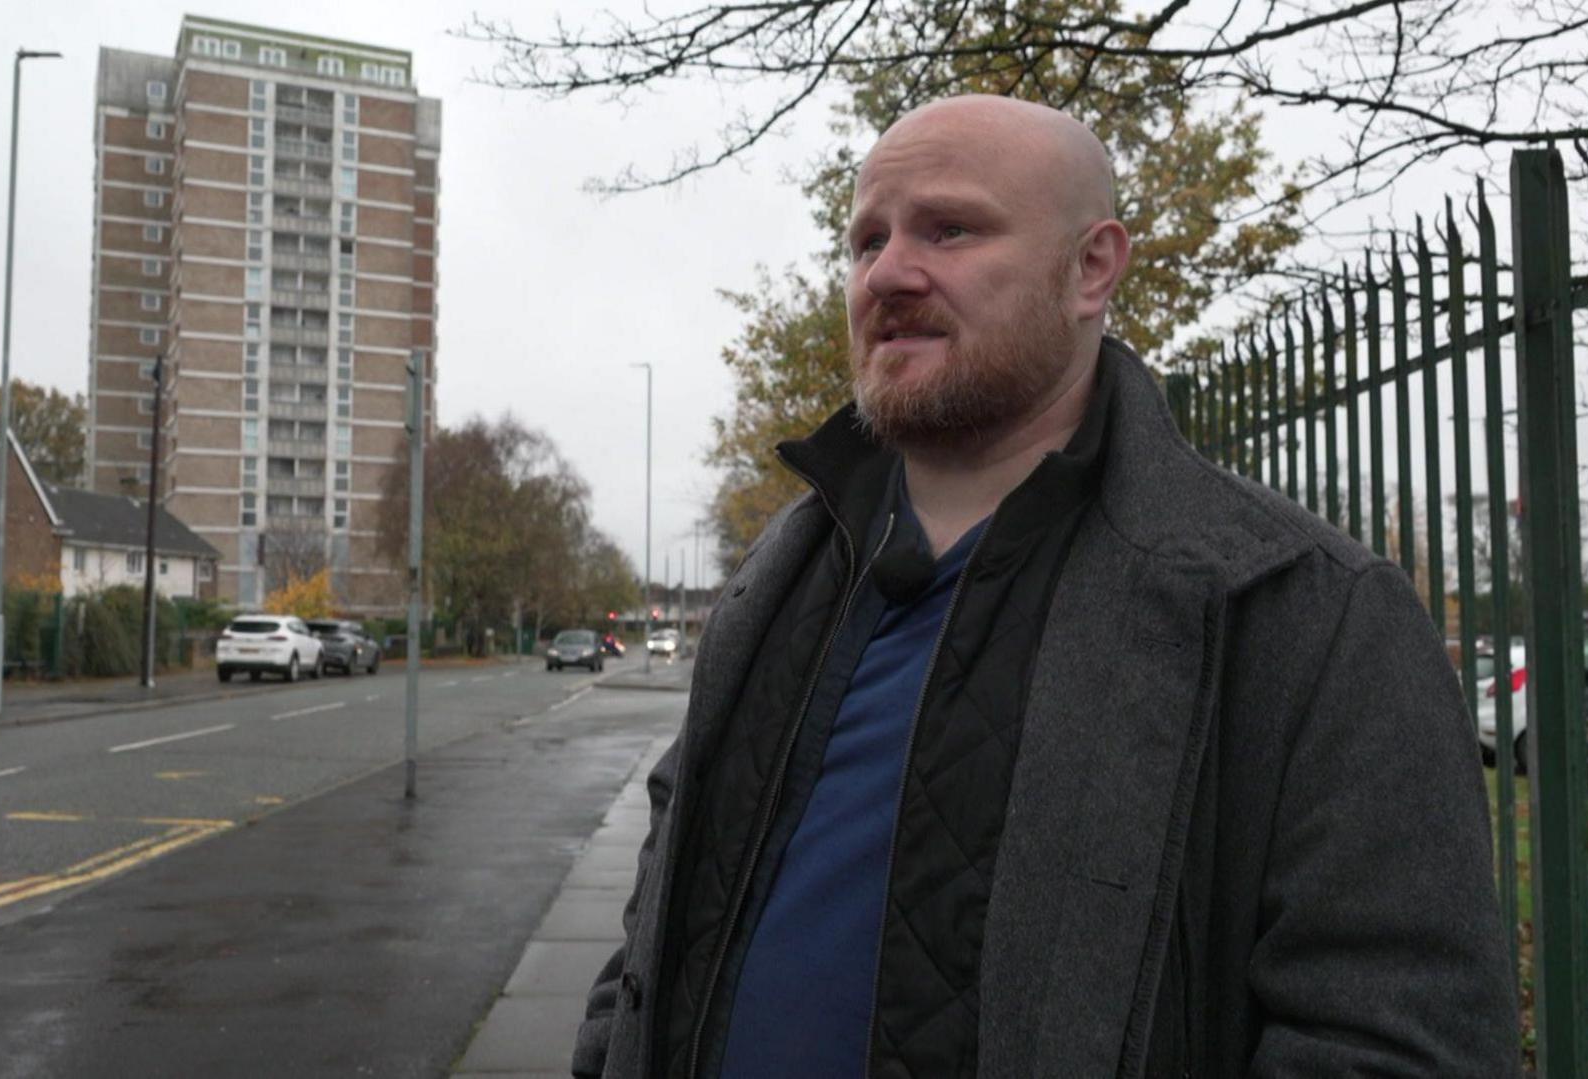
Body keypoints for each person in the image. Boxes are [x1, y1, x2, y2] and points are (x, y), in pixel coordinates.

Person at [574, 95, 1517, 1077]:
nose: (888, 272)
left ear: (1092, 268)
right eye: (866, 242)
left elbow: (1397, 1040)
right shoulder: (776, 579)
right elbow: (662, 901)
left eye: (950, 228)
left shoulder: (1307, 613)